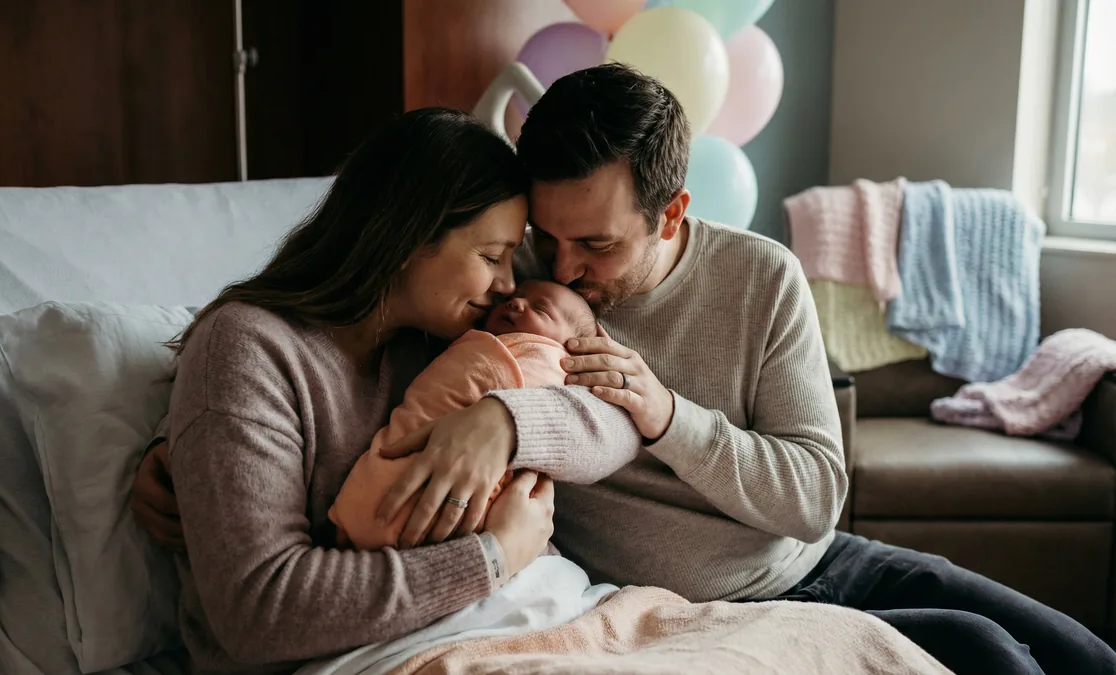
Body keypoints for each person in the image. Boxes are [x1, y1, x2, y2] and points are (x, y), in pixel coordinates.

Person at [135, 65, 1116, 674]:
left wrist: (608, 415)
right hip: (665, 609)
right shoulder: (487, 288)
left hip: (800, 565)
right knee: (989, 661)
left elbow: (811, 493)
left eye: (593, 246)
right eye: (532, 242)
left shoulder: (755, 278)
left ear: (673, 215)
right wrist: (175, 452)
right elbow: (305, 370)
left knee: (1059, 650)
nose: (555, 272)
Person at [148, 107, 642, 674]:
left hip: (515, 625)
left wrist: (506, 424)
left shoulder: (448, 336)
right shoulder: (250, 349)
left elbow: (616, 418)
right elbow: (262, 609)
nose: (510, 284)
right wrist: (495, 556)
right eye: (491, 257)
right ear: (408, 238)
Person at [330, 279, 598, 551]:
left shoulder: (548, 360)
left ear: (572, 347)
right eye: (517, 297)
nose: (513, 299)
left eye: (540, 309)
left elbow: (565, 410)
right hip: (427, 493)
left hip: (465, 515)